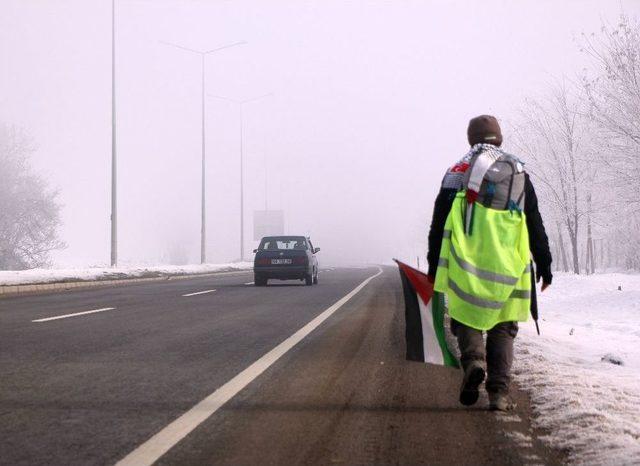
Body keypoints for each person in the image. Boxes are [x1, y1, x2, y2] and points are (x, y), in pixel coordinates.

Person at [426, 115, 552, 411]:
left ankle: (473, 362)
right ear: (500, 138)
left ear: (471, 139)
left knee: (465, 315)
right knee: (504, 326)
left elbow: (438, 224)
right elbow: (534, 221)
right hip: (510, 263)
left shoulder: (458, 171)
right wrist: (545, 264)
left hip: (466, 262)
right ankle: (498, 394)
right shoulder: (518, 172)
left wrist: (434, 267)